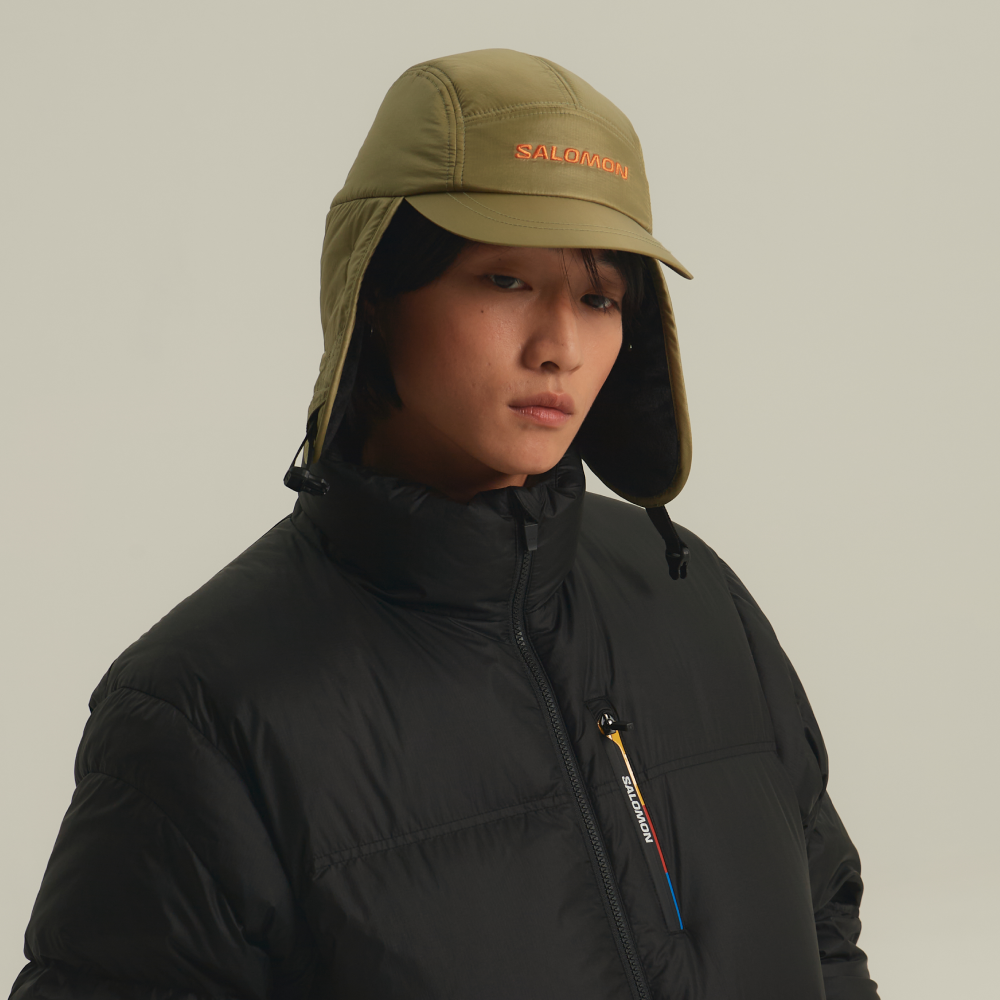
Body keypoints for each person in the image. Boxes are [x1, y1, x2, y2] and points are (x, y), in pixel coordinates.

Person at [11, 49, 880, 1000]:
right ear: (376, 292)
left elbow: (823, 927)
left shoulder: (693, 599)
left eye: (600, 296)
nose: (560, 347)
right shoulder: (204, 712)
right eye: (505, 280)